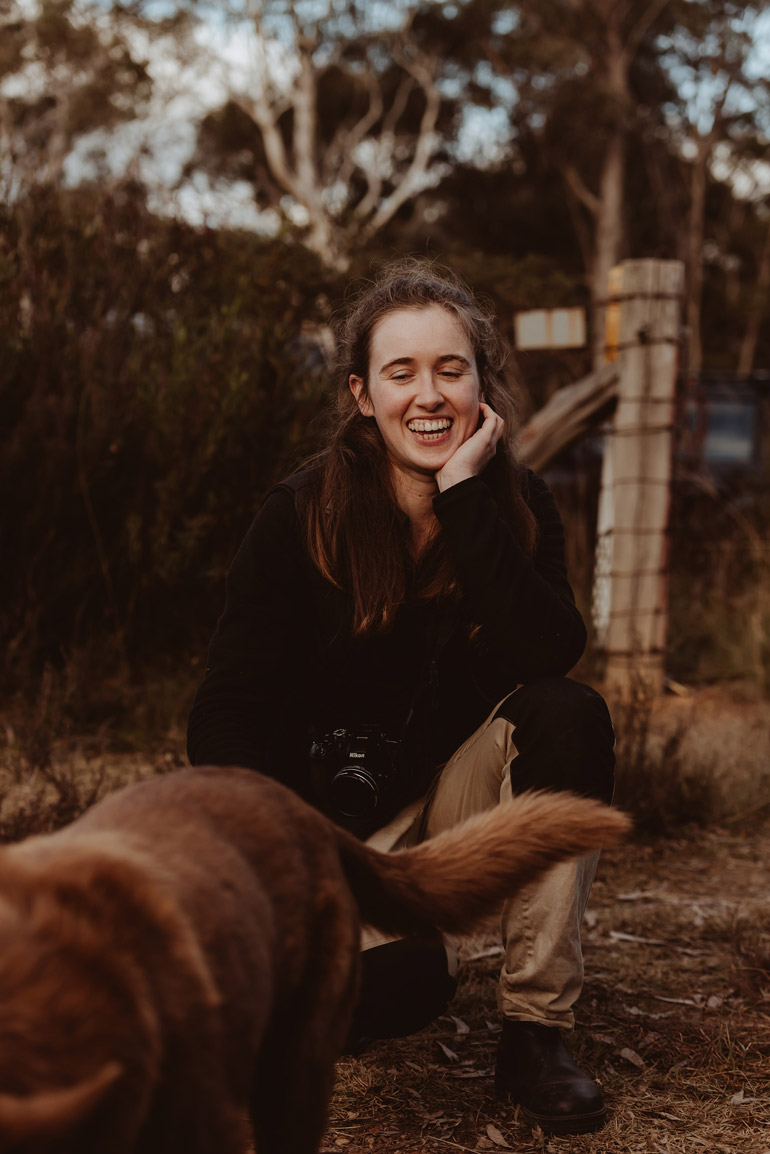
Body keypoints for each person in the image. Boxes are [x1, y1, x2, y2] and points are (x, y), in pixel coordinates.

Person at [187, 260, 616, 1136]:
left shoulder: (517, 503)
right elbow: (224, 709)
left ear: (482, 389)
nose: (429, 395)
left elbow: (551, 651)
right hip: (323, 835)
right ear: (360, 394)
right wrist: (288, 852)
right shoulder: (301, 512)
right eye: (401, 372)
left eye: (450, 370)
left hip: (448, 805)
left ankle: (536, 1032)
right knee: (407, 989)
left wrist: (462, 496)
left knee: (568, 712)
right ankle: (278, 994)